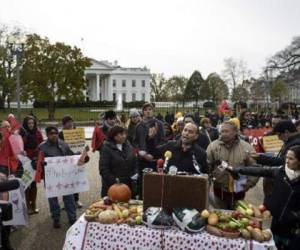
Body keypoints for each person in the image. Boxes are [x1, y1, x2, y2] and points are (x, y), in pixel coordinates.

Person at [227, 145, 300, 250]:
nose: (287, 161)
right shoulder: (280, 171)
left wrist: (295, 216)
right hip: (270, 218)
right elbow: (260, 171)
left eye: (291, 158)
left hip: (289, 226)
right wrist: (238, 169)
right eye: (286, 158)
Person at [36, 126, 87, 228]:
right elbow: (36, 160)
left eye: (55, 133)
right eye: (51, 133)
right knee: (52, 199)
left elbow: (71, 156)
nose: (54, 135)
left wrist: (81, 154)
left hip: (65, 176)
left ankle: (72, 218)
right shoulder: (41, 147)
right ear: (47, 135)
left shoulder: (63, 144)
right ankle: (56, 218)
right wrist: (39, 163)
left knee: (69, 197)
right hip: (50, 178)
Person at [206, 121, 259, 209]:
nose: (223, 134)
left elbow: (255, 167)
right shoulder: (213, 147)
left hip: (239, 190)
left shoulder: (246, 147)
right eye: (222, 131)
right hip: (219, 190)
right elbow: (207, 167)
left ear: (235, 132)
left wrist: (250, 183)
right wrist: (209, 181)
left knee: (239, 216)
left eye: (226, 131)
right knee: (221, 216)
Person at [252, 120, 300, 201]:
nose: (278, 138)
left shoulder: (295, 144)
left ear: (286, 132)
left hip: (290, 183)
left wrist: (260, 158)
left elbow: (283, 162)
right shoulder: (291, 141)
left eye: (278, 135)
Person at [134, 103, 165, 197]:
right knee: (142, 183)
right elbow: (135, 143)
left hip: (155, 159)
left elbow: (163, 141)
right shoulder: (139, 126)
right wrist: (141, 153)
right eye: (146, 110)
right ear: (143, 112)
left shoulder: (159, 124)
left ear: (153, 111)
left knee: (155, 184)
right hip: (142, 159)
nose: (148, 111)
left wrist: (154, 154)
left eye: (150, 109)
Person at [99, 126, 137, 197]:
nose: (124, 136)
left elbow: (134, 160)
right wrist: (115, 180)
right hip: (113, 187)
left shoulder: (127, 144)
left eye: (125, 134)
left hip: (128, 185)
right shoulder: (106, 148)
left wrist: (135, 173)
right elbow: (103, 169)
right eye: (121, 134)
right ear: (114, 136)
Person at [19, 115, 43, 215]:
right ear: (25, 124)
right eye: (29, 123)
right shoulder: (22, 134)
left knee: (34, 183)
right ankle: (27, 206)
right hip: (25, 161)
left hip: (35, 160)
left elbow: (42, 144)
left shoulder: (38, 132)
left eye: (32, 123)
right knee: (26, 183)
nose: (31, 125)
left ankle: (33, 205)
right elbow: (18, 146)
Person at [58, 115, 83, 209]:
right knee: (66, 181)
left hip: (75, 159)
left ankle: (76, 200)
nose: (70, 124)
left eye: (71, 122)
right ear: (64, 124)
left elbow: (80, 146)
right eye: (68, 122)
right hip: (65, 160)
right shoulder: (60, 134)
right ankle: (66, 202)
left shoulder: (76, 132)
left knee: (75, 180)